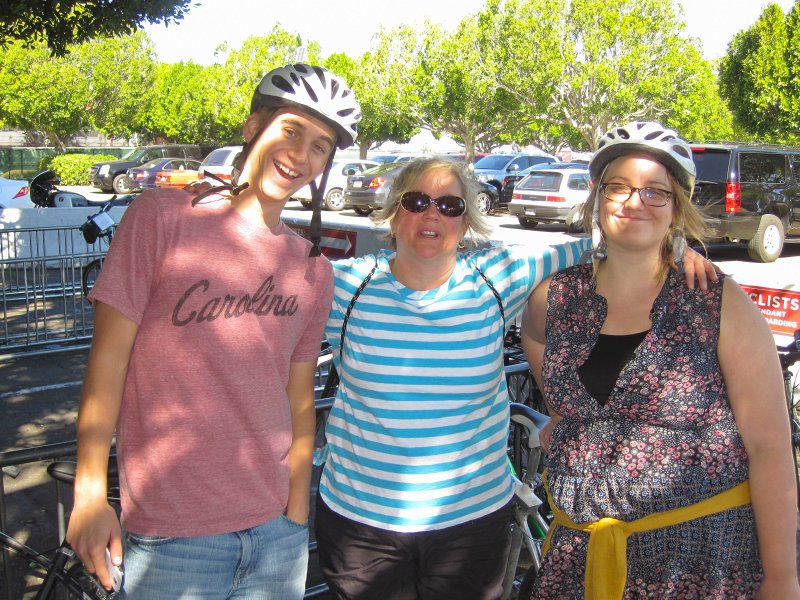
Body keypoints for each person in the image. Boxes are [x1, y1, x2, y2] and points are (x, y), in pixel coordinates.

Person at [313, 155, 717, 600]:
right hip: (362, 526)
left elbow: (604, 244)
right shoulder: (345, 287)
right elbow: (261, 280)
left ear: (467, 222)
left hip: (470, 526)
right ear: (393, 212)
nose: (432, 214)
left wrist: (674, 245)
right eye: (417, 201)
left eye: (450, 206)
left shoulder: (493, 278)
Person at [65, 63, 361, 599]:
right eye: (291, 130)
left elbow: (298, 397)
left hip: (277, 535)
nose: (301, 155)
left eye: (320, 146)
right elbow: (107, 364)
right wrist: (89, 493)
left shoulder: (312, 268)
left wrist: (296, 505)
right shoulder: (161, 218)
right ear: (253, 127)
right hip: (173, 534)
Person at [521, 121, 800, 599]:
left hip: (698, 560)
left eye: (656, 192)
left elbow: (770, 449)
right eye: (620, 187)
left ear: (676, 210)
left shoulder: (716, 302)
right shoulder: (556, 296)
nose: (635, 202)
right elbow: (538, 343)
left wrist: (782, 578)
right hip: (579, 560)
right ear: (596, 197)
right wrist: (571, 418)